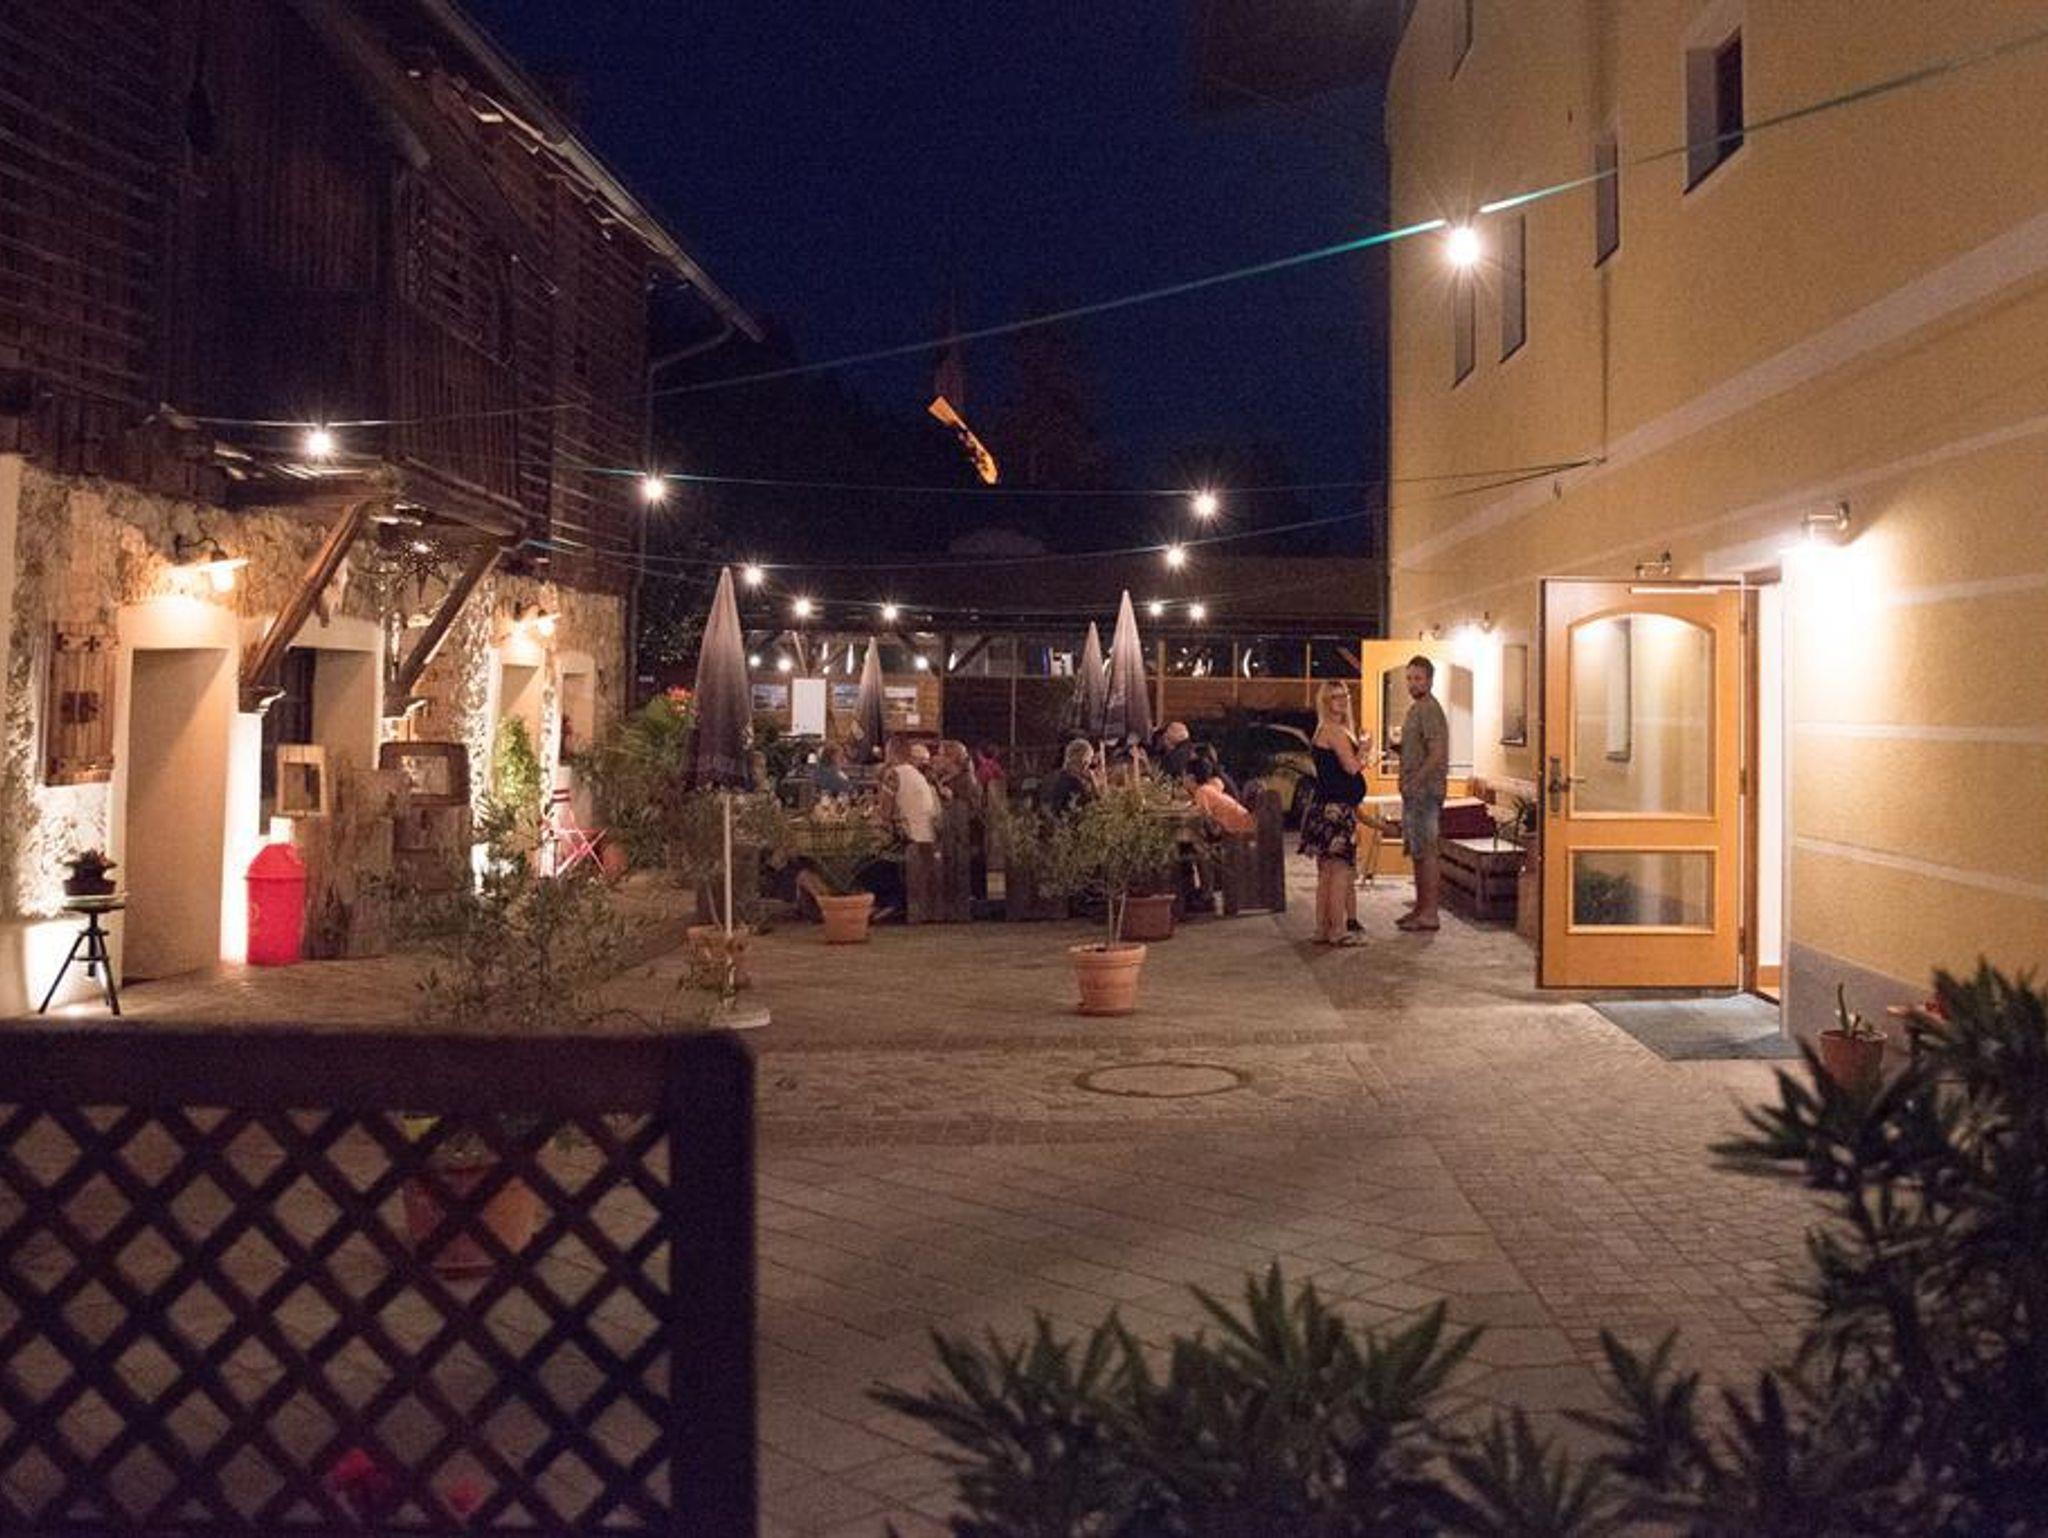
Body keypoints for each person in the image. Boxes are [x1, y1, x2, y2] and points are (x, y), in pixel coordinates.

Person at [1300, 681, 1370, 945]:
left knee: (1327, 874)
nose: (1341, 701)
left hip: (1325, 807)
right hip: (1336, 811)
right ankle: (1338, 930)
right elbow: (1351, 767)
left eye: (1344, 696)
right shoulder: (1335, 731)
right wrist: (1365, 749)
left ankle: (1323, 929)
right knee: (1339, 873)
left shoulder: (1324, 729)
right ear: (1325, 702)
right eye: (1334, 697)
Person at [1397, 655, 1451, 932]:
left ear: (1429, 680)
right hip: (1415, 792)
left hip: (1425, 792)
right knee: (1418, 851)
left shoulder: (1429, 709)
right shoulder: (1416, 709)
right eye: (1409, 678)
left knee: (1427, 852)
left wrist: (1415, 780)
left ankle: (1430, 913)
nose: (1412, 683)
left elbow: (1437, 752)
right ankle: (1420, 908)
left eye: (1418, 678)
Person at [878, 736, 941, 923]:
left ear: (891, 752)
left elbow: (884, 813)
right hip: (928, 837)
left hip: (909, 839)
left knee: (869, 858)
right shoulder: (917, 775)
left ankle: (890, 903)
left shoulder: (893, 774)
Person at [1039, 738, 1099, 819]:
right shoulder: (1074, 783)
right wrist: (1092, 781)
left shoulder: (1055, 777)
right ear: (1083, 761)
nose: (1087, 766)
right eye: (1088, 761)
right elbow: (1096, 803)